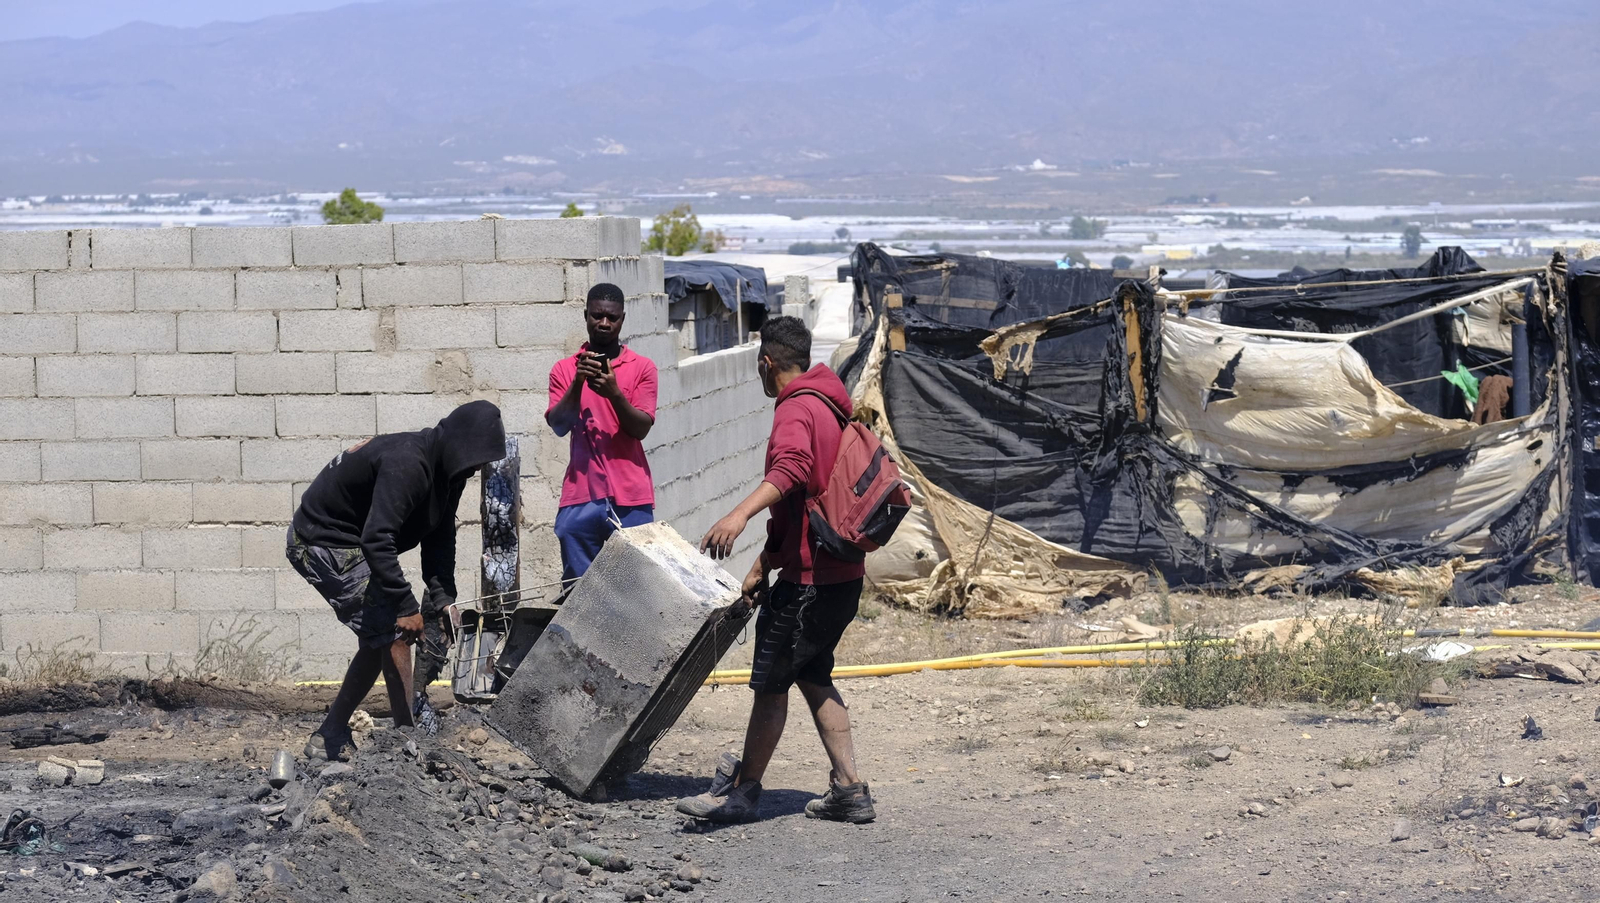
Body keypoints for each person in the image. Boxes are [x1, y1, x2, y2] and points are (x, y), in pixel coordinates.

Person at [676, 315, 875, 824]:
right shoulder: (829, 403)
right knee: (812, 672)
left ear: (766, 362)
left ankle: (742, 793)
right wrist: (764, 563)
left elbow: (790, 474)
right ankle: (850, 790)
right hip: (840, 575)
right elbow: (806, 503)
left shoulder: (794, 410)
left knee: (769, 683)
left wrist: (737, 515)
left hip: (808, 583)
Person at [286, 400, 506, 760]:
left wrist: (443, 597)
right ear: (460, 446)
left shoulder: (449, 473)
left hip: (354, 543)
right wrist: (405, 605)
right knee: (392, 630)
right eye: (476, 460)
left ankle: (332, 736)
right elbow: (377, 538)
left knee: (380, 636)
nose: (478, 469)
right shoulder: (409, 463)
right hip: (322, 541)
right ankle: (405, 741)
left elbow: (439, 536)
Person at [546, 282, 659, 585]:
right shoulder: (564, 370)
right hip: (580, 496)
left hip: (631, 497)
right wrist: (578, 383)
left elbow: (641, 429)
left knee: (634, 588)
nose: (605, 324)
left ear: (622, 318)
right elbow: (558, 425)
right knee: (578, 590)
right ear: (586, 316)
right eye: (597, 316)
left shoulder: (642, 368)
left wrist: (614, 394)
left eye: (612, 317)